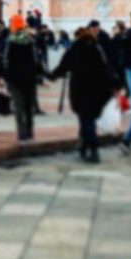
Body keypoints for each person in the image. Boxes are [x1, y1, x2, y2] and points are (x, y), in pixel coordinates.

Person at [50, 26, 116, 163]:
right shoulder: (97, 48)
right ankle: (83, 146)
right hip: (97, 89)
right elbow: (106, 67)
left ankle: (93, 149)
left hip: (80, 89)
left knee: (86, 119)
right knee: (87, 118)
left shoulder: (75, 49)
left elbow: (63, 66)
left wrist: (52, 76)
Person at [4, 13, 39, 142]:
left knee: (19, 107)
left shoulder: (10, 41)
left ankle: (22, 133)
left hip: (15, 79)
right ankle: (30, 132)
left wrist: (7, 77)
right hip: (29, 78)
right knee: (29, 106)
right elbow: (36, 60)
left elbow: (6, 61)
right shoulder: (30, 40)